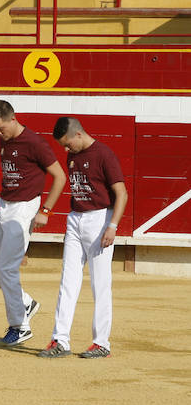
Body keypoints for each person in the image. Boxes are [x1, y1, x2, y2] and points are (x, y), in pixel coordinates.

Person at [0, 99, 67, 346]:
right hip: (2, 204)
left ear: (12, 118)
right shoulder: (4, 138)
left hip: (24, 208)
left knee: (6, 267)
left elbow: (59, 176)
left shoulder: (35, 143)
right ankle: (25, 302)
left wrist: (46, 211)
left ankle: (20, 326)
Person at [39, 117, 127, 359]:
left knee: (100, 284)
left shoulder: (104, 154)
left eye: (68, 144)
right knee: (68, 281)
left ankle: (101, 343)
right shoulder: (73, 156)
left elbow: (122, 193)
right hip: (75, 218)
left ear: (78, 134)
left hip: (99, 220)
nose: (66, 150)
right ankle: (60, 340)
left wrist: (113, 226)